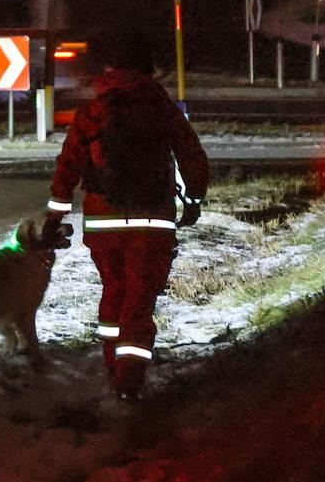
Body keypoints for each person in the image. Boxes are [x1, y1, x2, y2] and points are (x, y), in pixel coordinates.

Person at [42, 29, 209, 401]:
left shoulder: (93, 110)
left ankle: (111, 365)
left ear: (111, 69)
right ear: (147, 69)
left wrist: (55, 215)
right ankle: (129, 381)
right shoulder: (159, 107)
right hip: (152, 219)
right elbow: (191, 153)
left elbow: (67, 166)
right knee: (139, 296)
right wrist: (194, 198)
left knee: (114, 290)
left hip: (103, 221)